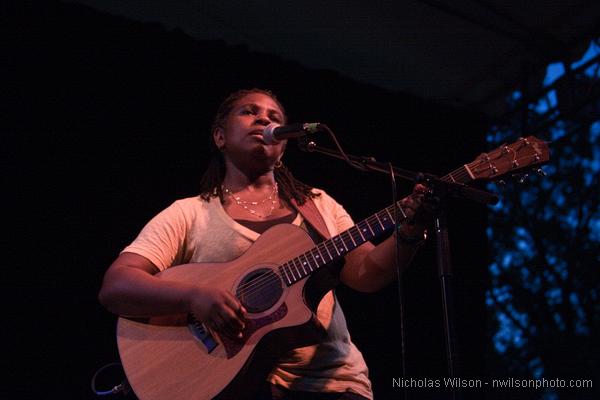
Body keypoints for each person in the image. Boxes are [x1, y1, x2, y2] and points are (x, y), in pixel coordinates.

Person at [99, 88, 431, 400]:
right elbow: (117, 286)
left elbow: (366, 274)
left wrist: (411, 231)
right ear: (220, 137)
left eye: (274, 116)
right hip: (233, 384)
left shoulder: (317, 204)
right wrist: (194, 296)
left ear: (283, 146)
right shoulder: (190, 213)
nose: (264, 120)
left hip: (332, 383)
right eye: (249, 112)